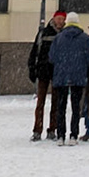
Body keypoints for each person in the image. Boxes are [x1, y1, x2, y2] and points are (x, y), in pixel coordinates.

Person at [49, 16, 89, 145]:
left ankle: (60, 135)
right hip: (78, 75)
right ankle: (73, 135)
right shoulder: (85, 38)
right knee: (75, 107)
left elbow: (51, 57)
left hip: (61, 76)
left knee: (60, 107)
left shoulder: (59, 37)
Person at [27, 10, 64, 141]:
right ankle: (37, 129)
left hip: (58, 72)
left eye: (62, 19)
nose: (60, 21)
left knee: (56, 102)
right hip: (43, 70)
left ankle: (52, 129)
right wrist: (32, 68)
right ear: (54, 19)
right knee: (40, 102)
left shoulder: (65, 34)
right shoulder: (44, 32)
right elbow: (34, 51)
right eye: (58, 19)